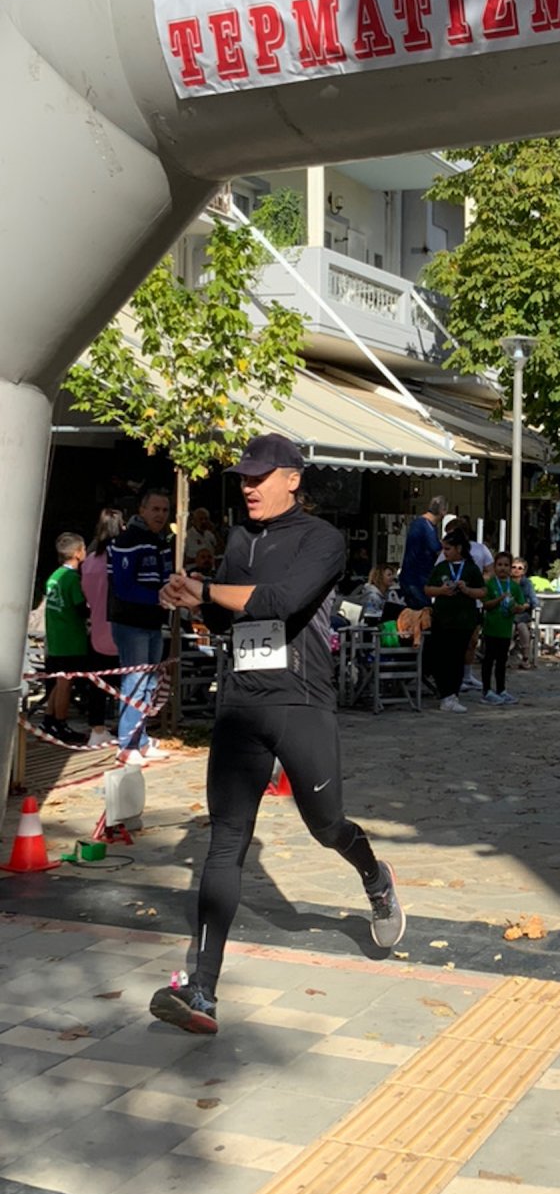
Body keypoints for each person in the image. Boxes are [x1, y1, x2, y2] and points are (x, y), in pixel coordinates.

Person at [149, 434, 404, 1036]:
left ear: (293, 478)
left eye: (260, 476)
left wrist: (210, 591)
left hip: (301, 702)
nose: (248, 486)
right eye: (243, 476)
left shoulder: (323, 539)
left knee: (327, 826)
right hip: (240, 703)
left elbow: (281, 603)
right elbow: (225, 616)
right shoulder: (239, 538)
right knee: (225, 842)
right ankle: (203, 992)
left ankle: (374, 876)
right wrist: (190, 598)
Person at [107, 485, 173, 764]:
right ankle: (126, 744)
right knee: (134, 681)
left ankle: (141, 740)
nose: (160, 514)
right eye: (155, 509)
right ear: (142, 510)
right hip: (131, 622)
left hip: (154, 622)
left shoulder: (162, 541)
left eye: (165, 510)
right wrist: (158, 597)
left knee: (149, 682)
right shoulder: (127, 540)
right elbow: (122, 587)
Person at [425, 525, 486, 712]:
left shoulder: (471, 568)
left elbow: (483, 591)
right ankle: (444, 693)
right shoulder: (441, 567)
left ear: (459, 548)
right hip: (443, 618)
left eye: (448, 549)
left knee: (457, 657)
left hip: (464, 619)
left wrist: (467, 590)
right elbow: (428, 589)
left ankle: (454, 694)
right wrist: (442, 591)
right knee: (442, 657)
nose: (445, 552)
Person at [81, 508, 123, 748]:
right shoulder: (119, 560)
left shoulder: (88, 562)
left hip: (96, 627)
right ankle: (127, 727)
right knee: (129, 682)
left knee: (97, 683)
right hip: (120, 627)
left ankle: (97, 729)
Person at [42, 532, 88, 741]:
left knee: (58, 682)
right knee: (65, 683)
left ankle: (49, 719)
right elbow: (81, 608)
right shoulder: (72, 579)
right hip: (71, 639)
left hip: (54, 638)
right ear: (78, 553)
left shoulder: (53, 577)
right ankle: (61, 722)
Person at [480, 551, 524, 705]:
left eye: (506, 565)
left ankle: (501, 689)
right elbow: (485, 604)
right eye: (500, 565)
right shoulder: (490, 584)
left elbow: (522, 603)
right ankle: (486, 690)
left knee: (501, 661)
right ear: (494, 566)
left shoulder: (514, 586)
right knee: (488, 660)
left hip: (506, 629)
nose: (503, 568)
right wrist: (499, 599)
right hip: (491, 628)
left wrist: (519, 608)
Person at [399, 495, 449, 611]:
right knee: (423, 613)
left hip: (414, 578)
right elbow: (436, 549)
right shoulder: (426, 527)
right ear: (442, 511)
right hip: (416, 580)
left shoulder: (421, 524)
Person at [510, 557, 538, 669]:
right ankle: (503, 656)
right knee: (510, 627)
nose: (516, 570)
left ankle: (526, 657)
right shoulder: (505, 581)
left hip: (523, 614)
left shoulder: (527, 583)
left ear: (524, 571)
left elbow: (534, 601)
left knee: (522, 627)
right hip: (508, 613)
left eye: (520, 568)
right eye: (514, 567)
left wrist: (526, 605)